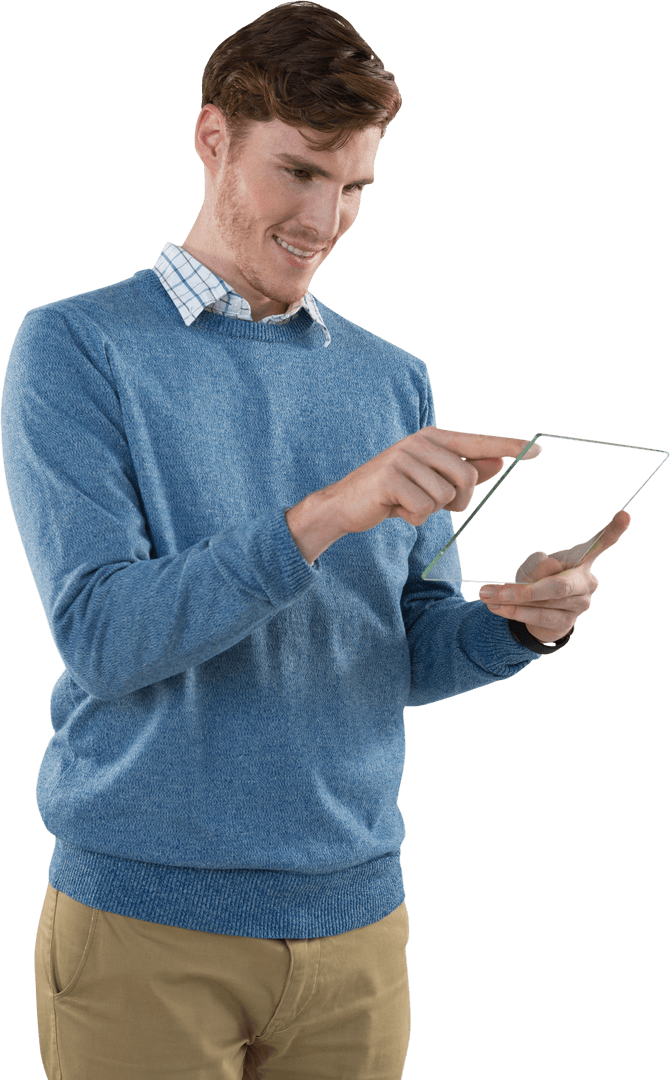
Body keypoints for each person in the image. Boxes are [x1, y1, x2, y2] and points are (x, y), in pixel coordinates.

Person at [1, 3, 630, 1078]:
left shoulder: (390, 378)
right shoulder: (76, 349)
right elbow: (104, 637)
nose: (327, 218)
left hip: (359, 932)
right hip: (147, 933)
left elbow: (400, 648)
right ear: (214, 138)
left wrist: (517, 624)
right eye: (298, 173)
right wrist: (321, 517)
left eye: (353, 188)